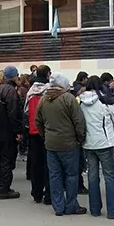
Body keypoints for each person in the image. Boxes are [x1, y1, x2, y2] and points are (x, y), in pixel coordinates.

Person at [35, 73, 87, 216]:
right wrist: (80, 138)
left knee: (54, 175)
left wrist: (45, 135)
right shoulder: (68, 98)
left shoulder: (44, 99)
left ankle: (58, 206)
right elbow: (78, 121)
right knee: (71, 175)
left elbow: (37, 121)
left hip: (50, 143)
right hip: (69, 143)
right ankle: (71, 205)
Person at [78, 76, 114, 219]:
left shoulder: (80, 103)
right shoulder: (105, 102)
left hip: (88, 143)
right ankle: (112, 210)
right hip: (104, 143)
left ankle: (95, 209)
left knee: (92, 177)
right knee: (109, 177)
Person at [0, 66, 23, 199]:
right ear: (15, 76)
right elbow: (13, 112)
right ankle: (5, 188)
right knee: (6, 159)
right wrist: (18, 130)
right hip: (7, 130)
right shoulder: (10, 91)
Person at [26, 65, 52, 205]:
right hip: (47, 130)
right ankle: (49, 194)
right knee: (49, 164)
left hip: (33, 130)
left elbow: (25, 111)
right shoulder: (49, 91)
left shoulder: (30, 91)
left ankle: (36, 193)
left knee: (36, 163)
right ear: (48, 74)